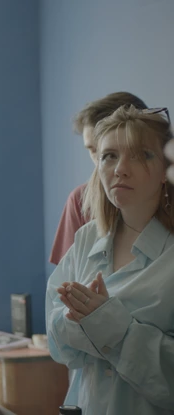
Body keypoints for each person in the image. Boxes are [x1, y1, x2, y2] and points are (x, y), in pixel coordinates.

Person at [46, 106, 174, 414]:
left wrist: (112, 328)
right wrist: (81, 321)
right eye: (109, 156)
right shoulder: (87, 237)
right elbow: (58, 342)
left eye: (141, 155)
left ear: (166, 172)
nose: (120, 169)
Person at [49, 92, 147, 265]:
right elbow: (66, 276)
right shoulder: (80, 200)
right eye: (93, 150)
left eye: (110, 151)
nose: (101, 161)